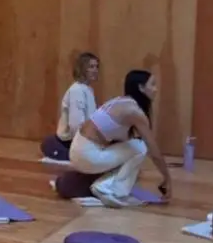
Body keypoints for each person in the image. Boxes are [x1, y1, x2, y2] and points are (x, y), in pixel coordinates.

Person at [70, 70, 173, 207]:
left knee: (134, 146)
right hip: (86, 154)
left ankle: (106, 186)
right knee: (140, 147)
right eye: (152, 85)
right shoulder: (134, 112)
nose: (156, 89)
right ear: (141, 88)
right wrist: (167, 178)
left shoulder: (121, 102)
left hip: (79, 150)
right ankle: (110, 190)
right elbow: (153, 150)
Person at [43, 51, 99, 161]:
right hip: (70, 142)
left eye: (97, 67)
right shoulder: (77, 90)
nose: (95, 70)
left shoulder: (88, 89)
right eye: (91, 67)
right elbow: (76, 124)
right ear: (82, 69)